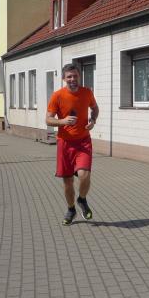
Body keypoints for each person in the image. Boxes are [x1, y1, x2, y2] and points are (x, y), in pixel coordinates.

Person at [46, 63, 100, 225]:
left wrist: (93, 120)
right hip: (65, 143)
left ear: (79, 76)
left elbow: (95, 109)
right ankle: (71, 209)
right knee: (68, 182)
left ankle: (82, 199)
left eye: (75, 76)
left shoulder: (87, 92)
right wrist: (62, 121)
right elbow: (48, 119)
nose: (72, 79)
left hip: (83, 142)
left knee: (84, 175)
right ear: (64, 78)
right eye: (69, 76)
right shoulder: (57, 96)